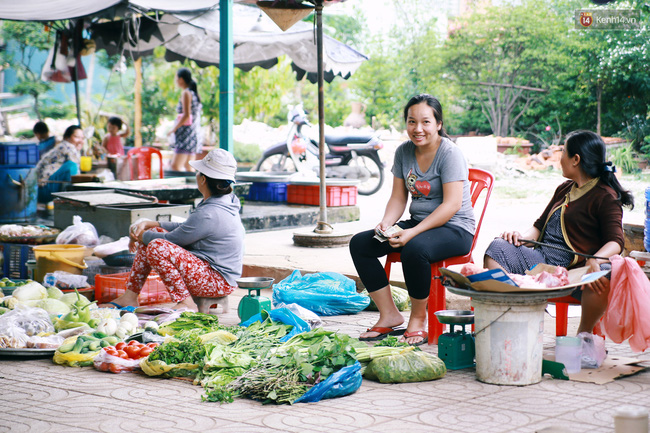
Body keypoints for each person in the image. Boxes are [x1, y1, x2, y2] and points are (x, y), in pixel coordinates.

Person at [483, 130, 634, 366]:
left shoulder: (605, 196)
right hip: (541, 260)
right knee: (497, 248)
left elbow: (616, 241)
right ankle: (513, 318)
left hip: (574, 270)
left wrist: (596, 258)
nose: (559, 155)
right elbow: (538, 227)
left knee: (605, 271)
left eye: (563, 151)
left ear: (576, 159)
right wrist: (518, 238)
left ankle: (584, 337)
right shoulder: (565, 188)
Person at [349, 94, 475, 345]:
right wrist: (386, 223)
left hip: (456, 229)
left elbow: (451, 205)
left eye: (426, 122)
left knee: (414, 249)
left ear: (438, 124)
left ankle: (418, 319)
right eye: (411, 122)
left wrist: (411, 233)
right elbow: (398, 198)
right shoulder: (404, 152)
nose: (418, 129)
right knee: (361, 244)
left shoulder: (450, 154)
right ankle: (389, 315)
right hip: (418, 224)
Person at [104, 148, 245, 313]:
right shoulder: (224, 202)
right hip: (214, 275)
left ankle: (185, 302)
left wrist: (140, 235)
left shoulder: (209, 213)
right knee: (154, 235)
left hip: (217, 281)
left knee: (157, 246)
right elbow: (188, 228)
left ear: (203, 180)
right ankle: (130, 295)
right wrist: (152, 223)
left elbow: (173, 239)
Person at [35, 124, 84, 203]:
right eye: (77, 137)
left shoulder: (63, 146)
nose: (80, 141)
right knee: (72, 166)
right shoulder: (68, 146)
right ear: (66, 138)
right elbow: (76, 173)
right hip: (44, 189)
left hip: (40, 189)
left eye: (82, 138)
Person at [168, 67, 202, 172]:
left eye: (176, 78)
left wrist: (173, 129)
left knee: (175, 166)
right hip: (193, 134)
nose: (176, 81)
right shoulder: (193, 93)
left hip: (185, 135)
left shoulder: (186, 93)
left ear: (181, 79)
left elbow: (186, 115)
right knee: (189, 167)